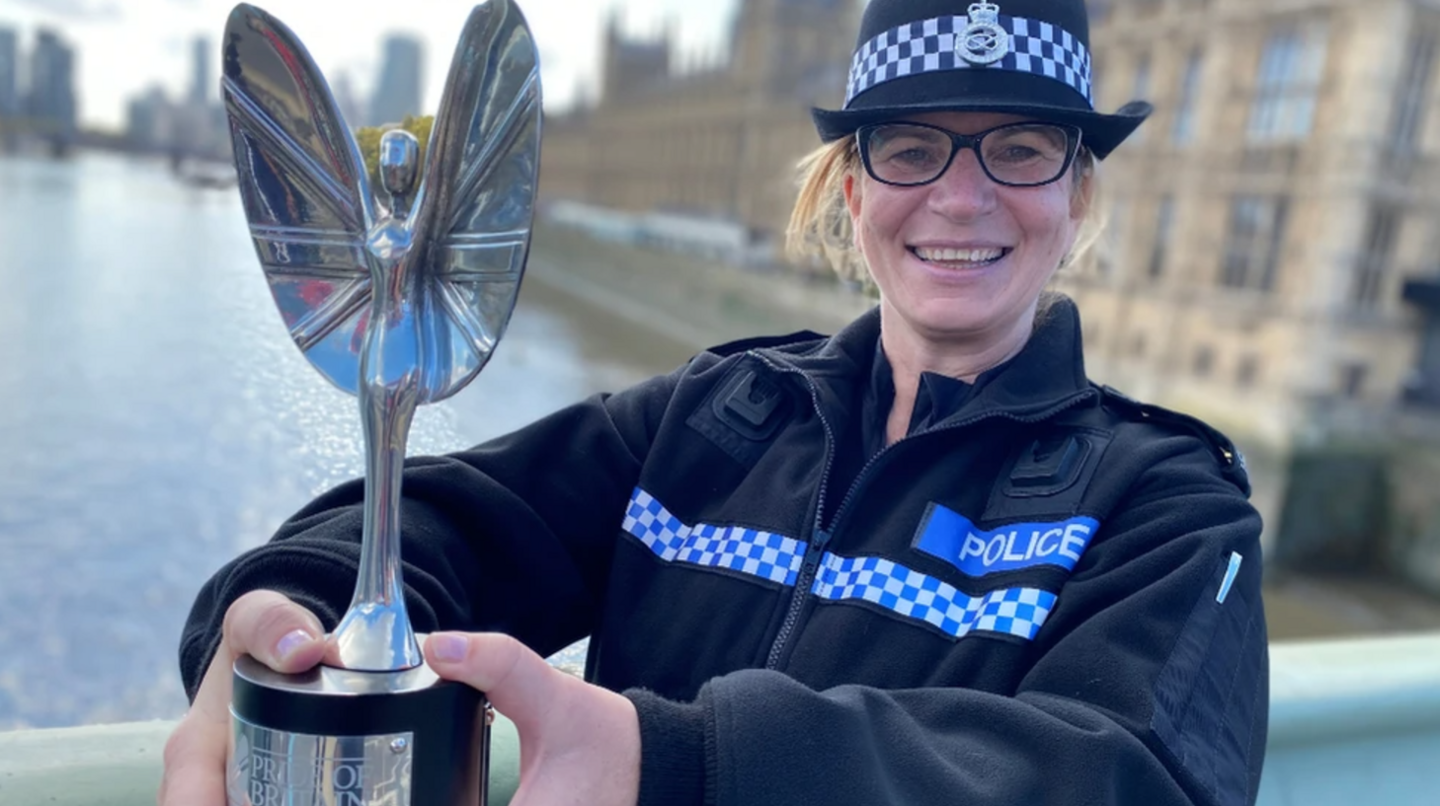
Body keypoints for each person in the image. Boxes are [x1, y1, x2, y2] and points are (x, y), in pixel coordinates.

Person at [160, 0, 1268, 804]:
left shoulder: (1167, 505)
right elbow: (435, 522)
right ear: (852, 187)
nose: (962, 194)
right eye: (910, 147)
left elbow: (1123, 776)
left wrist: (678, 761)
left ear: (1076, 195)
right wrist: (276, 621)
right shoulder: (712, 418)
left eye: (1020, 150)